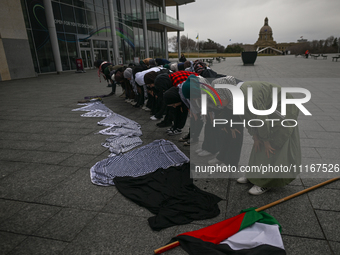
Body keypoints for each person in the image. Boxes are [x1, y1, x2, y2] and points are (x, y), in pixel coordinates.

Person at [216, 81, 301, 195]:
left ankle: (266, 183)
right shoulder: (236, 96)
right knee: (259, 143)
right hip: (268, 110)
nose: (218, 103)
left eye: (219, 99)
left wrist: (266, 140)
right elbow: (246, 118)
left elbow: (261, 119)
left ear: (225, 94)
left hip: (284, 110)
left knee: (273, 144)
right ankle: (253, 176)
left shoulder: (250, 96)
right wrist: (256, 137)